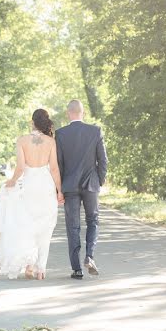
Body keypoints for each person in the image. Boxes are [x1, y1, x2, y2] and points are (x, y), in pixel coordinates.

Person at [0, 109, 64, 280]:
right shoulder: (50, 142)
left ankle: (29, 265)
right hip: (46, 186)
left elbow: (21, 168)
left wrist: (12, 181)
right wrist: (59, 190)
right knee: (46, 228)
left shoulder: (22, 141)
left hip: (30, 185)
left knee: (29, 225)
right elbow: (54, 168)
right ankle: (41, 269)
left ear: (32, 122)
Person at [55, 100, 108, 280]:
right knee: (93, 220)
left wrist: (58, 189)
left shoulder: (61, 134)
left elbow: (59, 164)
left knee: (73, 226)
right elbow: (103, 161)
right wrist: (98, 181)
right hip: (91, 184)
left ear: (68, 113)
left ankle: (76, 269)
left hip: (69, 186)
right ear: (82, 112)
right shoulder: (95, 131)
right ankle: (89, 256)